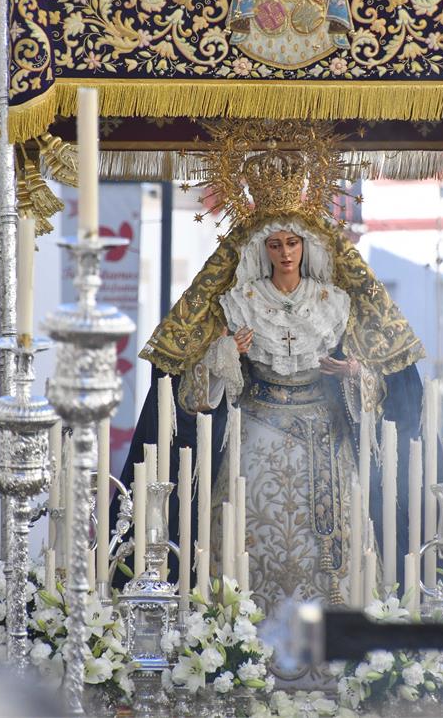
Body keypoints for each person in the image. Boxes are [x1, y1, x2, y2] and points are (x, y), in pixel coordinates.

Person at [115, 210, 424, 620]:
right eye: (275, 244)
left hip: (327, 441)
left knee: (340, 548)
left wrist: (354, 375)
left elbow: (387, 389)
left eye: (292, 243)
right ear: (262, 249)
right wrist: (226, 354)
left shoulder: (335, 303)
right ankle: (238, 642)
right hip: (256, 439)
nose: (285, 253)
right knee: (246, 538)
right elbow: (189, 393)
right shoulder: (240, 303)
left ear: (307, 247)